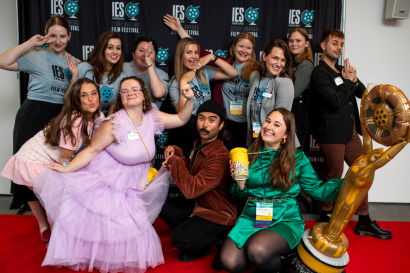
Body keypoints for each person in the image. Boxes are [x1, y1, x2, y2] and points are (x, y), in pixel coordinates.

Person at [33, 76, 195, 273]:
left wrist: (189, 99)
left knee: (132, 222)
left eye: (134, 89)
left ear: (143, 94)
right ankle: (100, 257)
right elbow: (92, 150)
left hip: (136, 176)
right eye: (124, 91)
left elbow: (181, 118)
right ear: (121, 98)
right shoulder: (113, 123)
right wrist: (67, 168)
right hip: (111, 176)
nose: (129, 93)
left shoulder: (152, 116)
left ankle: (120, 257)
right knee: (112, 221)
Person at [219, 108, 345, 273]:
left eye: (276, 124)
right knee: (229, 262)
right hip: (253, 216)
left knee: (257, 251)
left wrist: (349, 183)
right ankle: (269, 260)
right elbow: (238, 196)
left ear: (286, 135)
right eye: (268, 121)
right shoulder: (248, 155)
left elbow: (317, 190)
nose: (269, 126)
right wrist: (240, 183)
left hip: (285, 217)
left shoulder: (297, 158)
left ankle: (286, 262)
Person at [0, 16, 78, 242]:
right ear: (45, 35)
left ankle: (56, 220)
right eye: (52, 35)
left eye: (62, 36)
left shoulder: (74, 61)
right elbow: (3, 61)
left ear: (69, 36)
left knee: (54, 170)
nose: (58, 40)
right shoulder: (35, 55)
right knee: (26, 168)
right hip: (33, 114)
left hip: (59, 116)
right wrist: (30, 43)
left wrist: (74, 79)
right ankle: (43, 225)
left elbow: (73, 96)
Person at [309, 29, 391, 239]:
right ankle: (326, 216)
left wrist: (353, 78)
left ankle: (363, 220)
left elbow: (363, 94)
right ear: (324, 45)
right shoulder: (319, 73)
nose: (338, 48)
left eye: (341, 44)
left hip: (350, 131)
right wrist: (347, 81)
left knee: (363, 173)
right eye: (334, 43)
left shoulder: (341, 71)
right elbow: (334, 101)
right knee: (334, 176)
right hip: (330, 133)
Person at [1, 79, 102, 223]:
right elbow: (65, 159)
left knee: (61, 200)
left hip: (48, 160)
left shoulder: (97, 116)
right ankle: (55, 243)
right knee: (60, 202)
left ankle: (48, 231)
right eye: (84, 95)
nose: (91, 99)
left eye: (94, 93)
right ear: (76, 100)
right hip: (33, 161)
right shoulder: (76, 121)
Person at [159, 99, 236, 268]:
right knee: (161, 205)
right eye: (201, 118)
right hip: (199, 206)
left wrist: (174, 161)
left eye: (211, 120)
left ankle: (218, 238)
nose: (205, 124)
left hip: (218, 213)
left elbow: (191, 190)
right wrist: (177, 153)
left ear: (221, 125)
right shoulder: (200, 145)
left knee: (179, 239)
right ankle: (198, 237)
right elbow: (193, 170)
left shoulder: (219, 155)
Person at [164, 14, 258, 150]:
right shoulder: (224, 63)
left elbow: (232, 72)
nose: (244, 50)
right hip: (220, 123)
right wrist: (180, 30)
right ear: (234, 46)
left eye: (248, 48)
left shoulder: (257, 69)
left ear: (253, 50)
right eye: (241, 46)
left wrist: (211, 57)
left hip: (248, 123)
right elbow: (197, 50)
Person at [167, 37, 238, 158]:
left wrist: (212, 57)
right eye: (189, 52)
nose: (194, 56)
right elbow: (181, 111)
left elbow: (233, 73)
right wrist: (183, 83)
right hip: (188, 127)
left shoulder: (203, 71)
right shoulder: (175, 82)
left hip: (206, 124)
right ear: (181, 56)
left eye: (196, 52)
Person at [246, 39, 296, 147]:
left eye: (283, 60)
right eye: (275, 58)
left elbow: (281, 121)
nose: (279, 64)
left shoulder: (284, 82)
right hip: (255, 138)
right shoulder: (254, 76)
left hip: (274, 143)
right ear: (264, 56)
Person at [66, 31, 127, 115]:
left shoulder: (122, 76)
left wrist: (104, 124)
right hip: (83, 116)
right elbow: (67, 99)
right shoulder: (84, 68)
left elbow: (115, 105)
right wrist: (74, 78)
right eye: (110, 47)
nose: (115, 52)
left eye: (118, 48)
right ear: (101, 49)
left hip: (107, 117)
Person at [122, 37, 168, 109]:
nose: (146, 54)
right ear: (133, 54)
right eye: (141, 50)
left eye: (150, 52)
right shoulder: (122, 68)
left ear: (155, 55)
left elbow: (158, 94)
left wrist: (149, 63)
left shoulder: (161, 74)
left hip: (149, 117)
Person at [288, 28, 314, 151]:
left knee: (296, 153)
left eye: (298, 40)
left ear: (307, 43)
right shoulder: (290, 63)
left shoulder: (306, 65)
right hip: (289, 112)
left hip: (298, 114)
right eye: (291, 40)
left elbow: (292, 93)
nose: (294, 44)